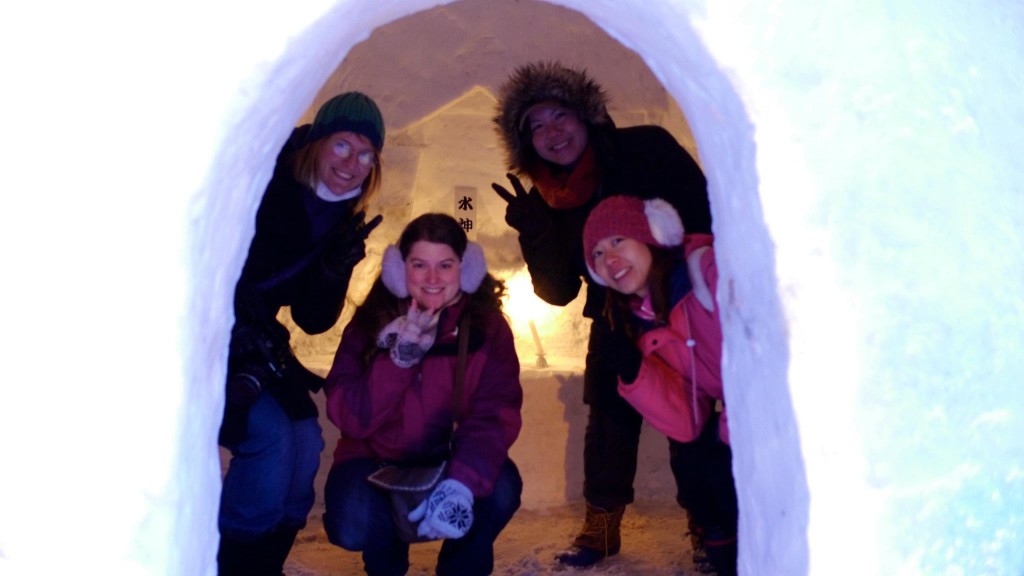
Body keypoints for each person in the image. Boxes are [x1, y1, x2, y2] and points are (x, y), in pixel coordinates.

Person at [490, 61, 715, 568]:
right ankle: (602, 526)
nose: (552, 133)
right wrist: (534, 228)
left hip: (681, 303)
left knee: (693, 412)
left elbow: (707, 213)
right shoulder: (549, 196)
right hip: (614, 314)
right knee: (609, 418)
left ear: (585, 115)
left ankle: (708, 520)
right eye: (537, 126)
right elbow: (559, 290)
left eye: (559, 116)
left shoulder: (646, 148)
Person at [217, 91, 386, 575]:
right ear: (317, 141)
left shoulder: (342, 219)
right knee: (271, 441)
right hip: (213, 335)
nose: (352, 163)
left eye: (365, 154)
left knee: (306, 440)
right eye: (342, 146)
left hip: (258, 342)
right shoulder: (262, 181)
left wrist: (334, 272)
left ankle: (263, 565)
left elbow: (313, 319)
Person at [321, 213, 524, 576]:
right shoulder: (370, 323)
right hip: (373, 462)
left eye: (445, 265)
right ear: (400, 270)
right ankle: (387, 564)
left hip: (448, 459)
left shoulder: (488, 328)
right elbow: (351, 415)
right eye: (420, 265)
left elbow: (494, 414)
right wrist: (399, 361)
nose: (433, 279)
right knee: (352, 520)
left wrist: (462, 483)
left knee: (502, 487)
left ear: (466, 269)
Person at [582, 194, 737, 575]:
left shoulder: (707, 271)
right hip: (741, 419)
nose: (610, 259)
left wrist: (733, 435)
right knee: (696, 467)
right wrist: (636, 372)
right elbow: (688, 421)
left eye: (617, 241)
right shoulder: (645, 319)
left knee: (720, 473)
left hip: (785, 415)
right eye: (598, 254)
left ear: (653, 232)